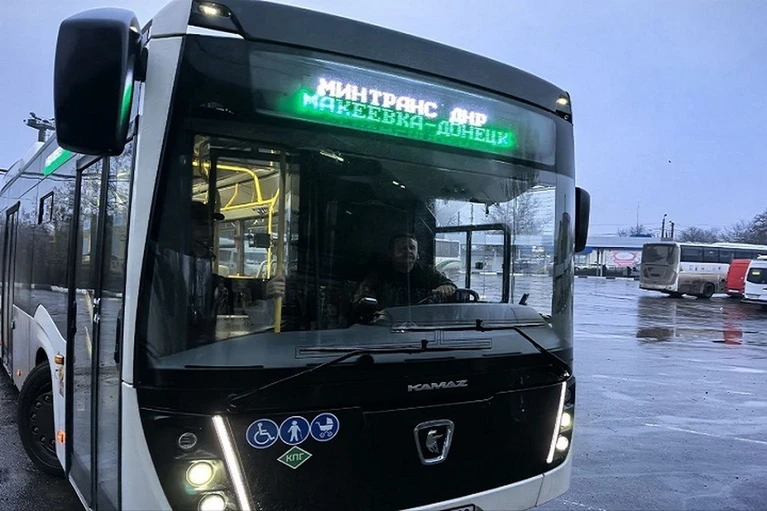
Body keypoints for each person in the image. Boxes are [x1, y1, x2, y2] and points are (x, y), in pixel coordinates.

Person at [353, 233, 457, 311]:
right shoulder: (378, 275)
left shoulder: (428, 272)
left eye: (412, 248)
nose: (408, 251)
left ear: (417, 254)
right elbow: (362, 299)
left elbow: (449, 285)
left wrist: (447, 287)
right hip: (386, 324)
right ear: (391, 253)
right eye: (402, 248)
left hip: (423, 323)